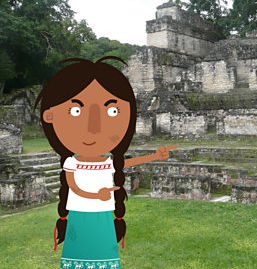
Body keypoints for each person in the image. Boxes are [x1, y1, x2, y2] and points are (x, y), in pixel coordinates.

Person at [35, 56, 177, 269]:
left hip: (101, 213)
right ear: (49, 116)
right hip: (81, 212)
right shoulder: (72, 162)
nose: (94, 127)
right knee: (80, 254)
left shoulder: (105, 161)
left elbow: (124, 165)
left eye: (112, 111)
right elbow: (73, 186)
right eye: (76, 111)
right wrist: (97, 195)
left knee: (103, 255)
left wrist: (154, 155)